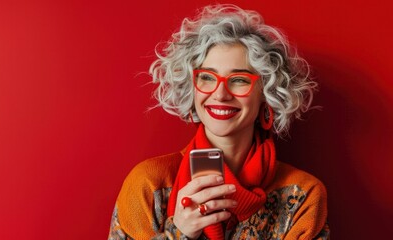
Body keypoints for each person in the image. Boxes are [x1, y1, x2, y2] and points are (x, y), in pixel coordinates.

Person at [109, 4, 329, 240]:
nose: (220, 94)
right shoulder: (150, 185)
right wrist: (178, 234)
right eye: (206, 77)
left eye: (239, 80)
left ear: (266, 93)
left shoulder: (302, 195)